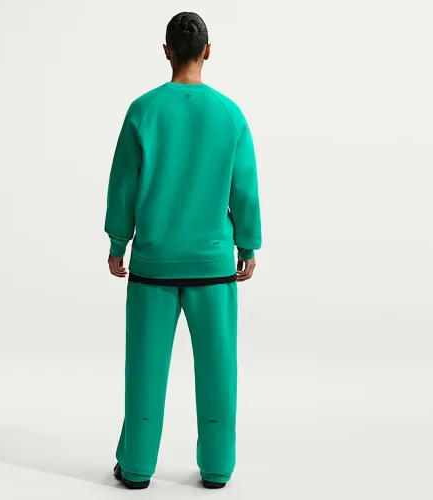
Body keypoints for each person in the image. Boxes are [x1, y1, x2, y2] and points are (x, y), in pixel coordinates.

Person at [104, 11, 261, 490]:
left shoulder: (143, 111)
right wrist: (248, 244)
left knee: (144, 369)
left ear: (166, 51)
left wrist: (118, 241)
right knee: (218, 370)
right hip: (213, 266)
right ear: (207, 52)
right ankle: (217, 467)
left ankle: (136, 468)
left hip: (153, 263)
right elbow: (244, 188)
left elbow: (123, 184)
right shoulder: (230, 114)